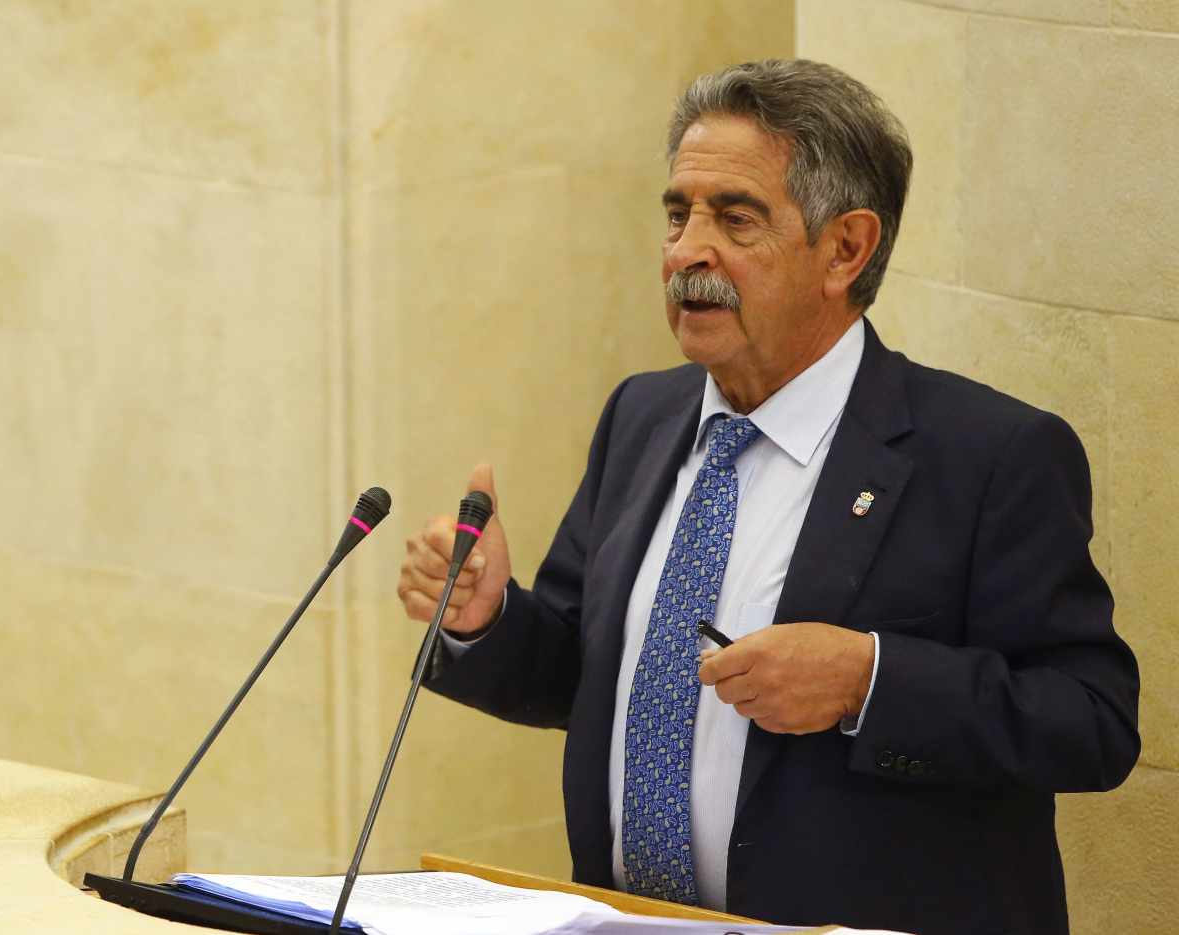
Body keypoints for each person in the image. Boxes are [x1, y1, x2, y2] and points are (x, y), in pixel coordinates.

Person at [394, 59, 1140, 935]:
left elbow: (1090, 721)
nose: (686, 252)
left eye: (734, 219)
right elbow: (582, 676)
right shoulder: (644, 414)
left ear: (846, 249)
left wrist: (868, 679)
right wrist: (483, 620)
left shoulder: (989, 454)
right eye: (678, 213)